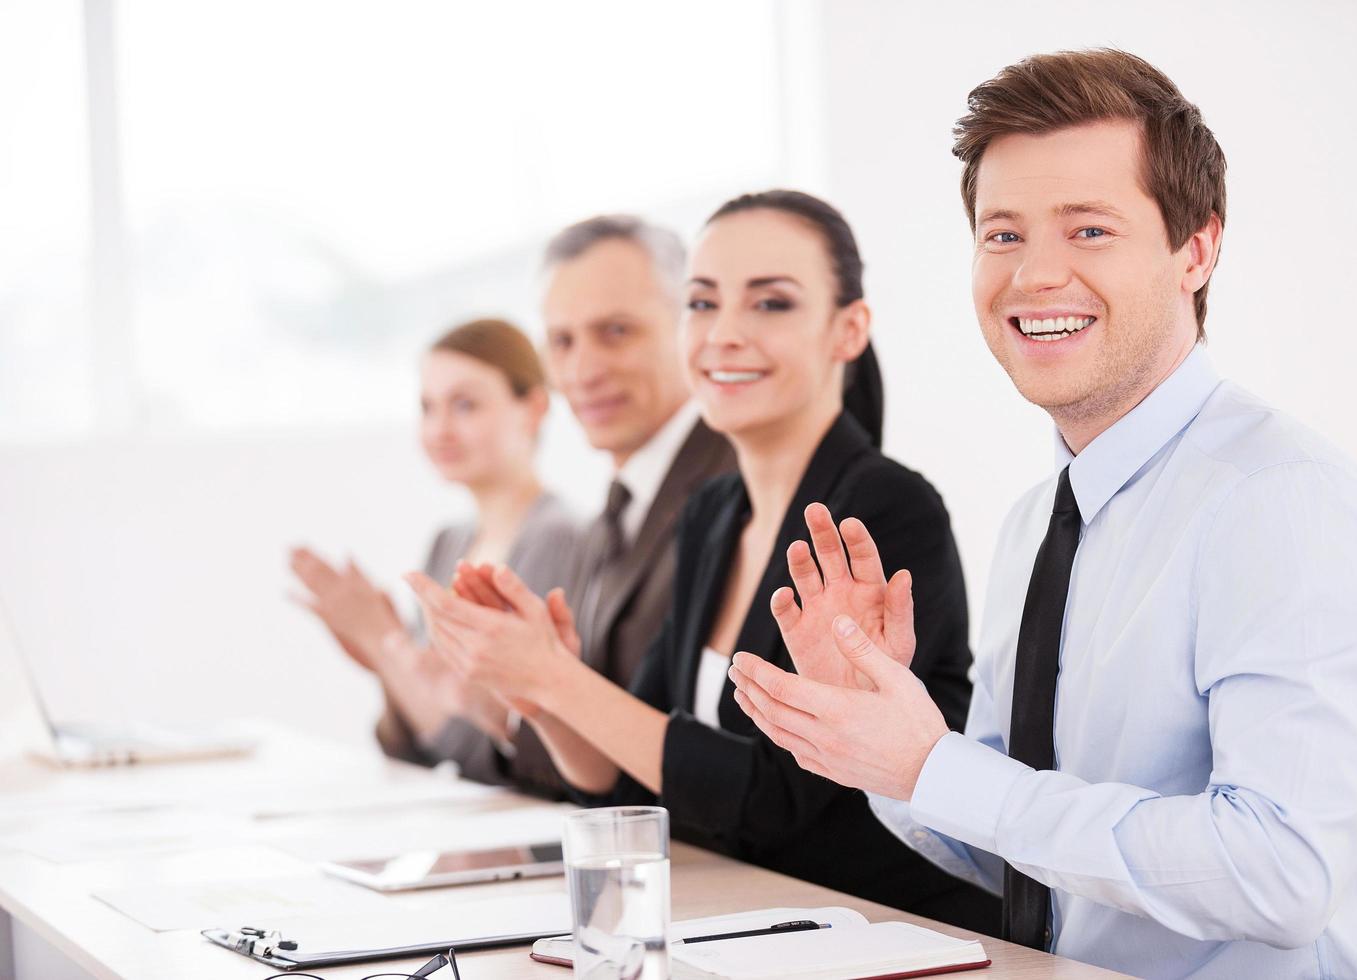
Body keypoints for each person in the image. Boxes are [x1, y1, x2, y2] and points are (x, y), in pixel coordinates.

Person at [728, 50, 1357, 978]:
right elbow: (1022, 855)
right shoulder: (1037, 522)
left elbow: (1281, 872)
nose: (1033, 276)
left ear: (1197, 249)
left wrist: (939, 770)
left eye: (1088, 230)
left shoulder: (1277, 504)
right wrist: (888, 748)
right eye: (1002, 235)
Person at [407, 190, 999, 932]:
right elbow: (629, 777)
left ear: (847, 330)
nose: (724, 334)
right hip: (739, 930)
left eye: (770, 304)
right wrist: (541, 695)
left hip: (882, 938)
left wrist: (558, 679)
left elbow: (775, 803)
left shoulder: (881, 510)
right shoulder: (714, 512)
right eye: (702, 303)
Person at [378, 216, 736, 796]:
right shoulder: (616, 513)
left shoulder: (732, 486)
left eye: (616, 331)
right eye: (563, 342)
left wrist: (526, 692)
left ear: (690, 326)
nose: (584, 370)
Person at [290, 318, 580, 762]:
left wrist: (383, 643)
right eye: (428, 407)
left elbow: (497, 756)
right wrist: (386, 658)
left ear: (534, 408)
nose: (439, 429)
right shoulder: (450, 542)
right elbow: (411, 745)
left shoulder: (558, 538)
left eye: (465, 405)